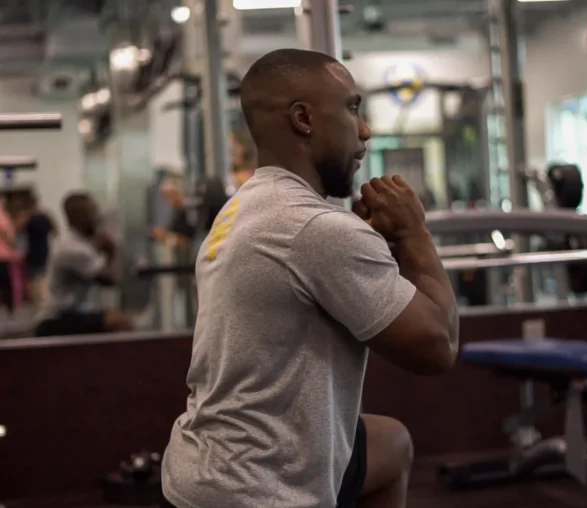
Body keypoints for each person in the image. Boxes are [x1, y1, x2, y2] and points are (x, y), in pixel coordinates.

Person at [161, 49, 459, 508]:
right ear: (303, 118)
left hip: (198, 472)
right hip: (256, 493)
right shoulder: (316, 228)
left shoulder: (245, 208)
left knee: (389, 444)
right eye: (352, 108)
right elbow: (438, 347)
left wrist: (381, 247)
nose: (365, 131)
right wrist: (413, 232)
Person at [34, 192, 132, 337]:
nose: (97, 216)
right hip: (57, 318)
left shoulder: (79, 242)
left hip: (74, 314)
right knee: (120, 322)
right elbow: (109, 280)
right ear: (78, 216)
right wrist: (110, 253)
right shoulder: (72, 248)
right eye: (92, 211)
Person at [23, 194, 56, 305]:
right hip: (43, 249)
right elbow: (55, 230)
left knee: (32, 277)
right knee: (42, 276)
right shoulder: (45, 216)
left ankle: (37, 299)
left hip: (32, 251)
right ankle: (43, 299)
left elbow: (18, 231)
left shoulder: (28, 218)